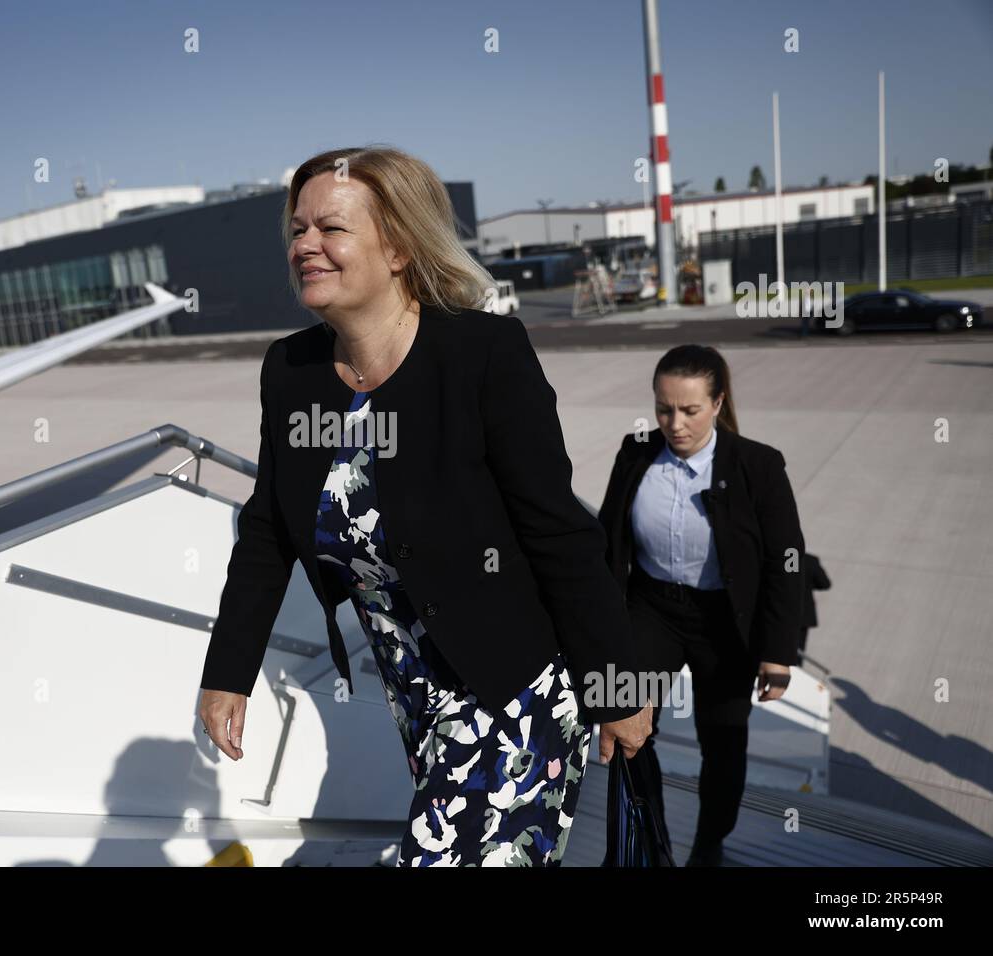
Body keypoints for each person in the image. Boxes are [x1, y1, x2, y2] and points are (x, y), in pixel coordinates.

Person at [197, 144, 652, 866]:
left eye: (331, 229)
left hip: (517, 690)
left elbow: (560, 532)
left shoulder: (482, 355)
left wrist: (616, 682)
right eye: (297, 229)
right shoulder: (291, 370)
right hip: (414, 694)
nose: (305, 245)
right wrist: (228, 670)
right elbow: (267, 528)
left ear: (400, 246)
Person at [597, 344, 806, 865]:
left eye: (690, 410)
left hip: (723, 621)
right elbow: (606, 543)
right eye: (664, 408)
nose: (674, 423)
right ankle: (645, 842)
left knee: (723, 743)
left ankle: (710, 843)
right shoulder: (635, 450)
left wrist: (777, 651)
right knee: (629, 725)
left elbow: (787, 561)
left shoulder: (757, 463)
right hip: (652, 610)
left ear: (717, 403)